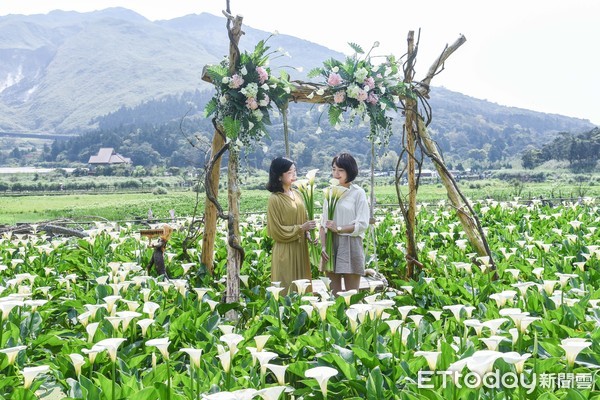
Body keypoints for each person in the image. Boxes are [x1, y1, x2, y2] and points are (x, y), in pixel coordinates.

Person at [320, 153, 370, 295]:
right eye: (334, 169)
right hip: (331, 244)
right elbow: (323, 223)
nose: (336, 174)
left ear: (350, 171)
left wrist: (339, 228)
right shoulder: (329, 192)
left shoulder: (358, 193)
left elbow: (362, 224)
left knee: (352, 295)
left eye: (340, 170)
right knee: (333, 295)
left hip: (351, 243)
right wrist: (323, 246)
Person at [266, 157, 317, 294]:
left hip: (300, 249)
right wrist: (301, 228)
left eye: (294, 171)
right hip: (285, 250)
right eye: (289, 172)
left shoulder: (298, 194)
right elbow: (276, 231)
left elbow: (304, 219)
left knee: (303, 289)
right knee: (287, 288)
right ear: (279, 176)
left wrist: (309, 235)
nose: (294, 175)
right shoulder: (275, 199)